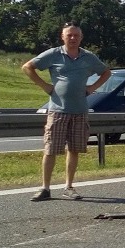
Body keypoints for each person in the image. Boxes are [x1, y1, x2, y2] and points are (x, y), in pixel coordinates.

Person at [22, 22, 110, 201]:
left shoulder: (88, 57)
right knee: (51, 149)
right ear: (62, 37)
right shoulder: (54, 54)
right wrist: (45, 86)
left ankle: (69, 186)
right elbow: (27, 67)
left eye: (76, 35)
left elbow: (106, 73)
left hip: (79, 111)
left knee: (75, 149)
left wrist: (92, 88)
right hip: (58, 110)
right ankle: (45, 188)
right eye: (69, 35)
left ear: (81, 37)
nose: (72, 38)